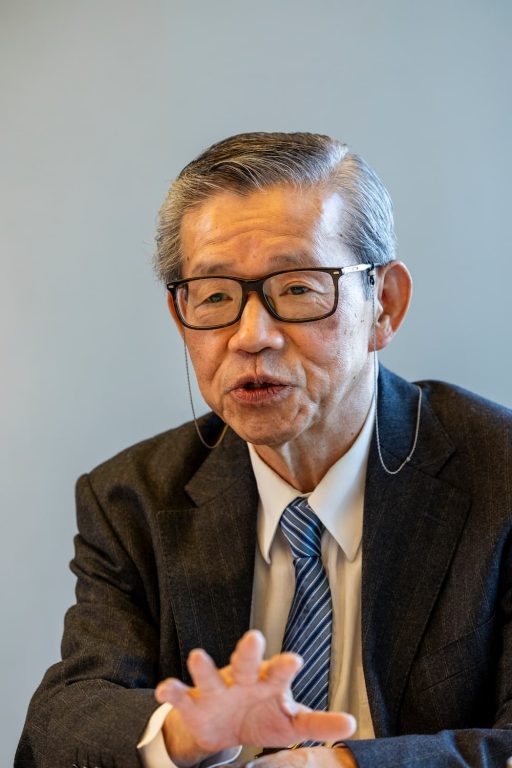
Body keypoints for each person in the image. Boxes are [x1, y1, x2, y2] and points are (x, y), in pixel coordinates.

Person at [16, 132, 512, 768]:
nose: (251, 336)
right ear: (180, 316)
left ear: (384, 306)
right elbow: (63, 722)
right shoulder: (132, 499)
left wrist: (336, 764)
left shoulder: (499, 473)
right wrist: (186, 732)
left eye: (299, 288)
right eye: (215, 296)